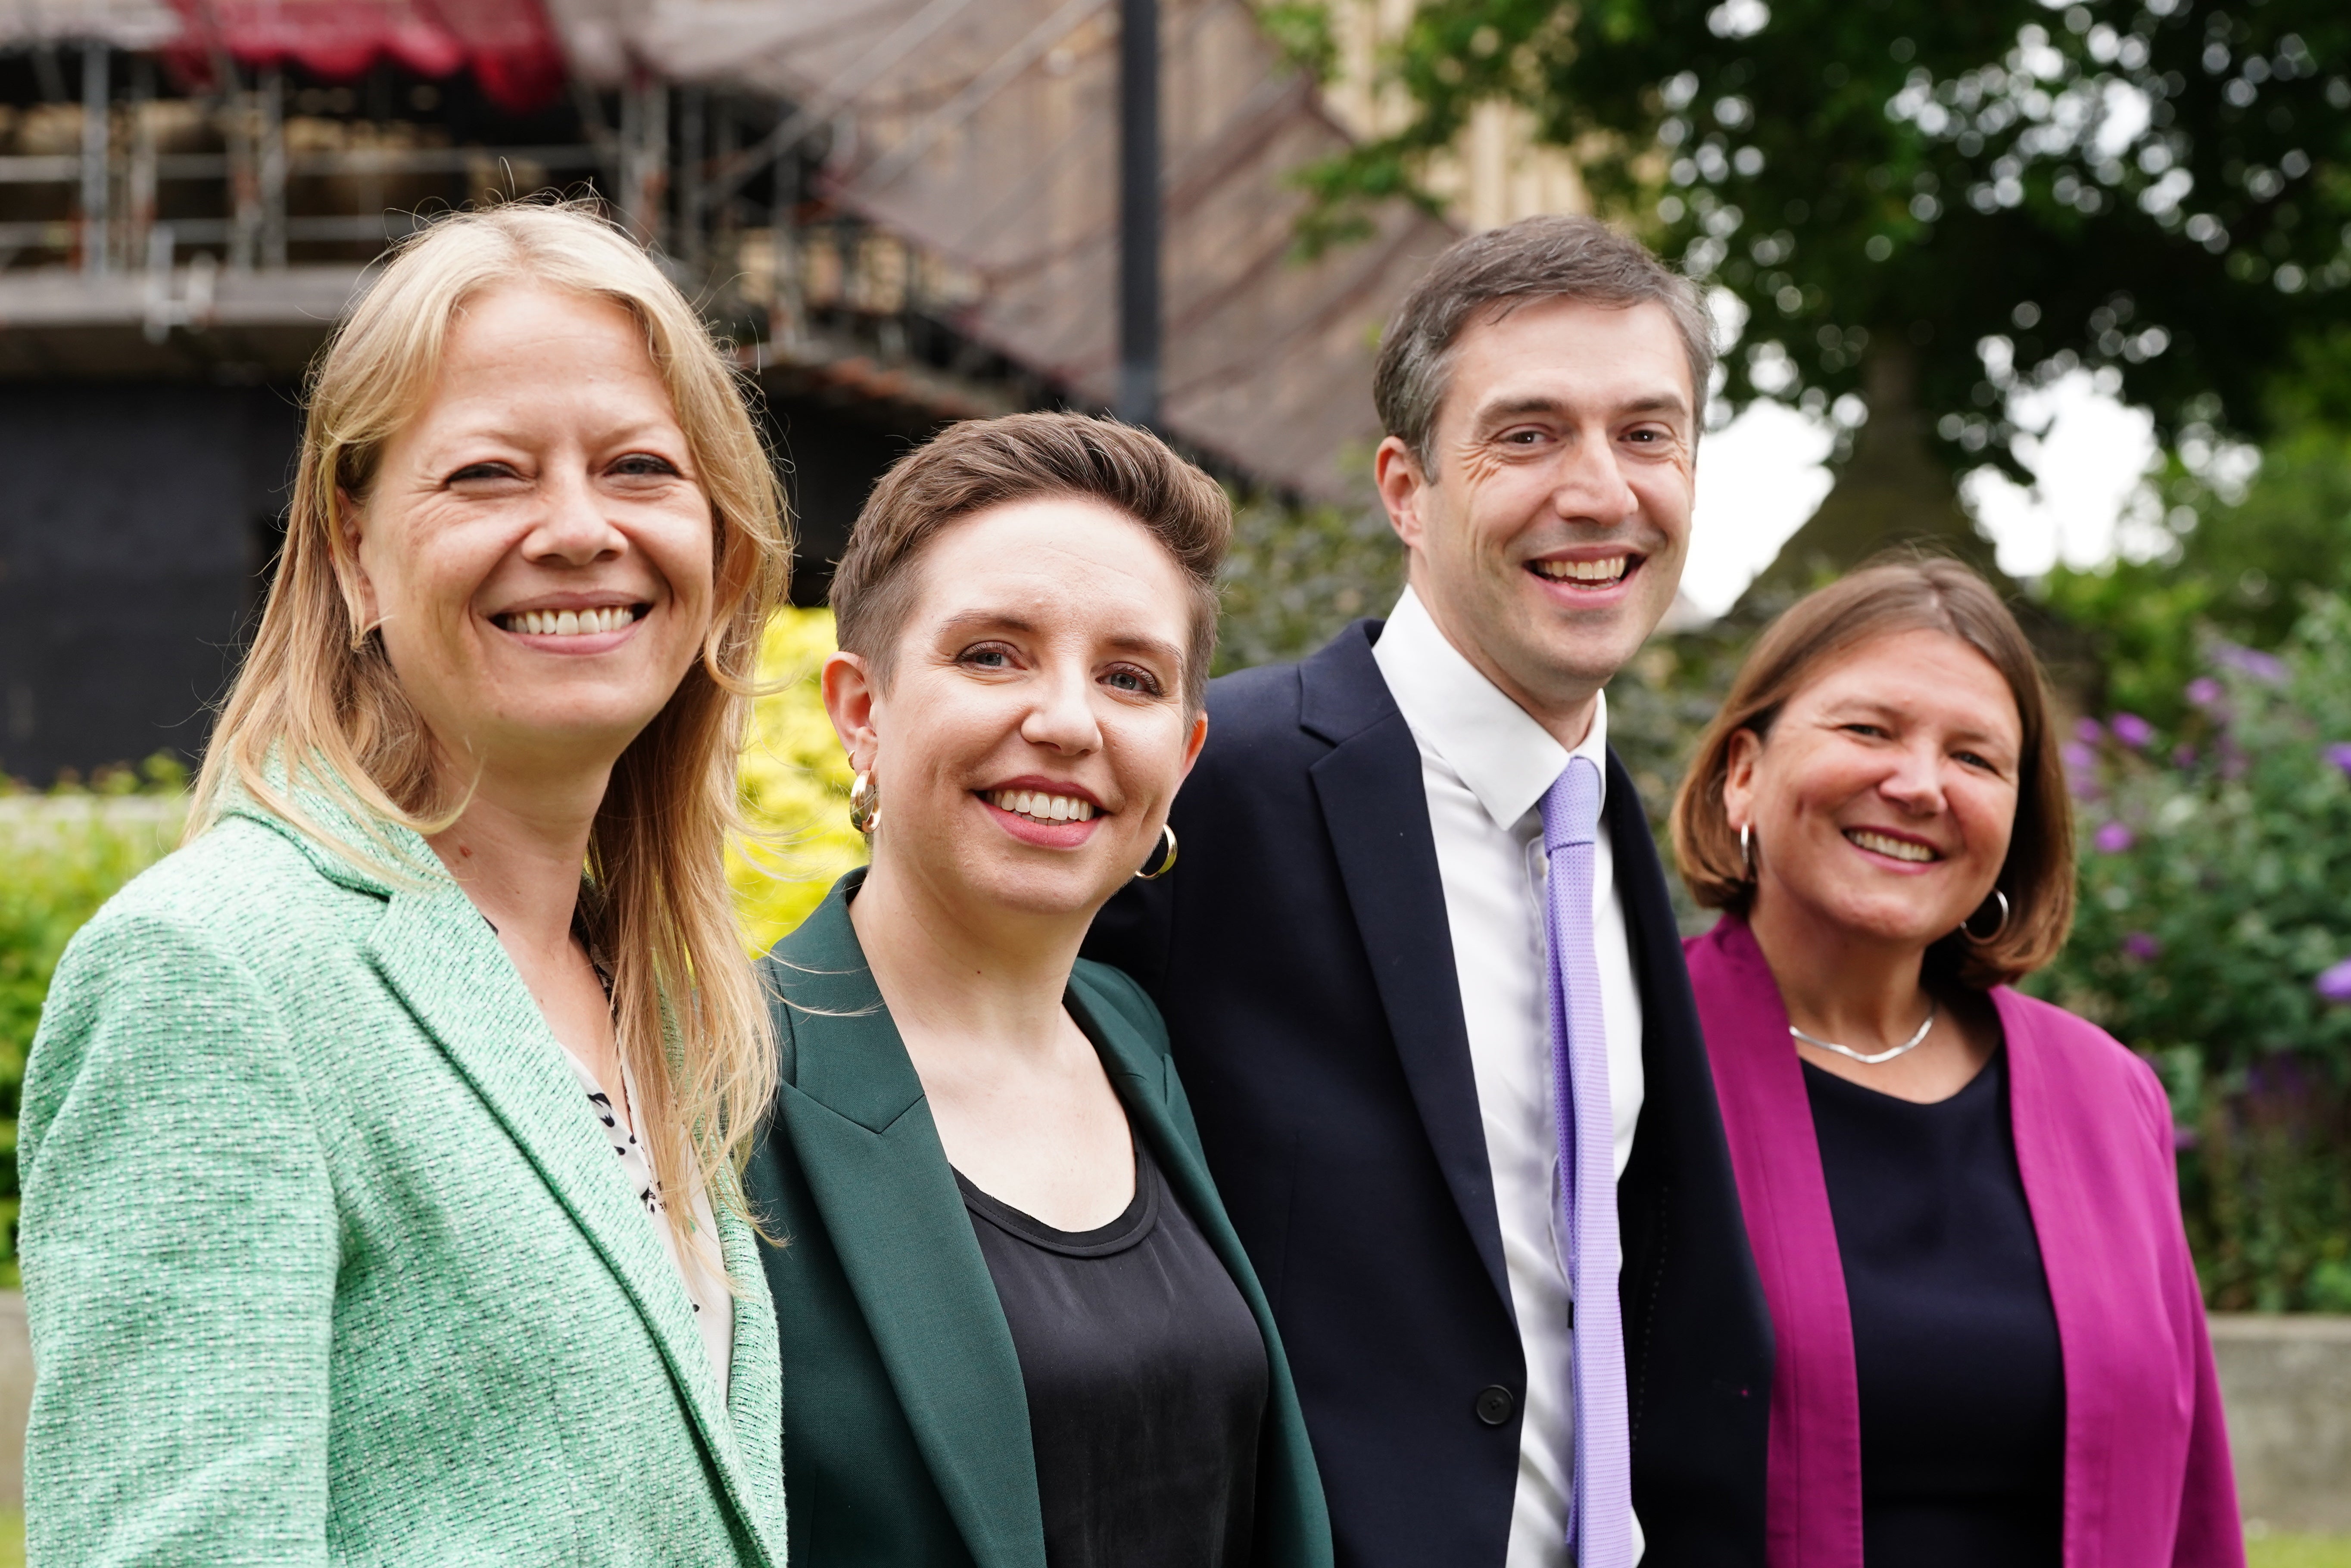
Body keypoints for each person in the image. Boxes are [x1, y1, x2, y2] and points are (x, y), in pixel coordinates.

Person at [18, 204, 791, 1565]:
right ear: (351, 552)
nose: (576, 529)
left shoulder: (660, 999)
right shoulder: (217, 975)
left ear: (722, 551)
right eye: (489, 474)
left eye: (639, 467)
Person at [1086, 214, 1771, 1567]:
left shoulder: (1604, 822)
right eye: (1527, 435)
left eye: (1648, 434)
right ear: (1406, 489)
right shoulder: (1210, 781)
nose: (1600, 491)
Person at [745, 412, 1332, 1568]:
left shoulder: (1136, 1038)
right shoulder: (718, 1079)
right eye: (993, 653)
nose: (1066, 722)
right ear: (859, 710)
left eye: (1129, 677)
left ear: (1184, 753)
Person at [1669, 557, 2243, 1567]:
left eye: (1976, 757)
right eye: (1867, 729)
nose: (1919, 784)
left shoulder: (2109, 1098)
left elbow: (2194, 1504)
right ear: (1742, 770)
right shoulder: (1631, 1061)